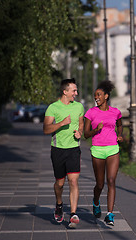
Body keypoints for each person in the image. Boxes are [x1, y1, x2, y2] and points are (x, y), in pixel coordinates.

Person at [43, 78, 84, 228]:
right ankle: (59, 204)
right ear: (65, 92)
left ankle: (73, 214)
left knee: (73, 181)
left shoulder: (79, 106)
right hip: (58, 150)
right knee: (60, 183)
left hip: (74, 149)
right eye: (74, 90)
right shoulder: (53, 108)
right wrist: (61, 123)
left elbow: (81, 124)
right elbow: (46, 129)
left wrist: (80, 132)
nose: (76, 93)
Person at [84, 80, 123, 226]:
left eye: (99, 95)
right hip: (97, 149)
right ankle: (95, 201)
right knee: (100, 184)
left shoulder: (115, 112)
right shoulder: (91, 112)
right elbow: (86, 135)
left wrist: (120, 135)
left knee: (111, 181)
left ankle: (110, 214)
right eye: (95, 96)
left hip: (113, 148)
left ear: (106, 96)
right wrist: (96, 130)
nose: (96, 98)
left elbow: (120, 125)